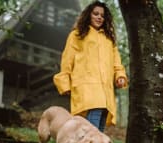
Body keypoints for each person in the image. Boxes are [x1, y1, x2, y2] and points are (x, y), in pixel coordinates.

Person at [53, 1, 128, 132]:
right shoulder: (77, 35)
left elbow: (117, 63)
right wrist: (64, 83)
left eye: (103, 16)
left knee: (98, 129)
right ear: (89, 15)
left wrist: (120, 76)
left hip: (106, 91)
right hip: (86, 87)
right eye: (96, 14)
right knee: (92, 130)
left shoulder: (109, 40)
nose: (99, 17)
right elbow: (67, 60)